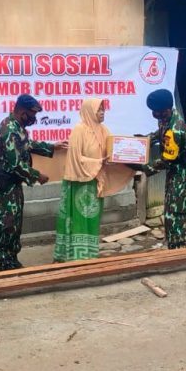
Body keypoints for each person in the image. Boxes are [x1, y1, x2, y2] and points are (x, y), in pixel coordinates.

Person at [0, 94, 67, 270]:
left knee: (14, 223)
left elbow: (27, 144)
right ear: (22, 112)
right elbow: (15, 164)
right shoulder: (9, 130)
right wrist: (37, 176)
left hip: (12, 184)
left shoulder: (18, 127)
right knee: (4, 224)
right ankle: (4, 262)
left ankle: (12, 259)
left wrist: (52, 147)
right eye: (31, 115)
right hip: (3, 185)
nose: (34, 119)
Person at [54, 98, 133, 261]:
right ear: (90, 111)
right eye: (99, 110)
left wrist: (129, 155)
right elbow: (75, 158)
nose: (102, 112)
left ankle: (88, 253)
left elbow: (112, 150)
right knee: (77, 218)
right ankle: (73, 254)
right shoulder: (79, 130)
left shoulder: (103, 130)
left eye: (103, 109)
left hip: (96, 180)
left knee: (92, 217)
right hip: (79, 182)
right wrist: (98, 162)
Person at [143, 89, 186, 248]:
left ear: (166, 109)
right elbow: (158, 133)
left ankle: (177, 244)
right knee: (170, 205)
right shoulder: (166, 119)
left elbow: (166, 160)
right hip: (175, 170)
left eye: (156, 111)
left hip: (183, 172)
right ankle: (172, 240)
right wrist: (145, 141)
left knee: (176, 210)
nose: (154, 114)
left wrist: (144, 168)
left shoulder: (176, 128)